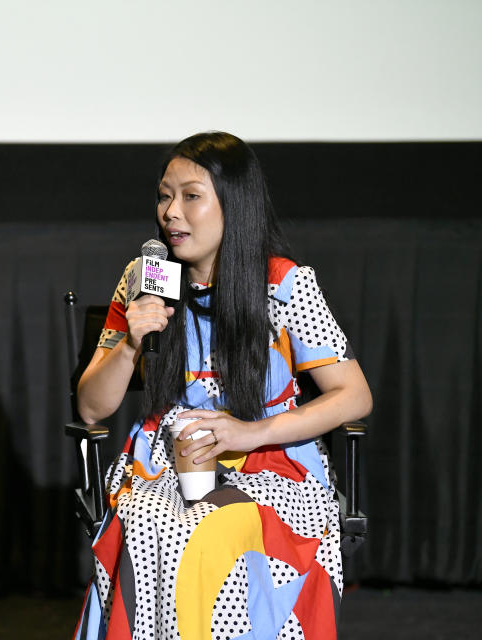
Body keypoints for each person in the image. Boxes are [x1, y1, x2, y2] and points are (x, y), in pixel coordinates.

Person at [72, 132, 372, 640]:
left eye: (190, 196)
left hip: (271, 456)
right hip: (168, 457)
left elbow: (354, 395)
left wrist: (249, 434)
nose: (171, 212)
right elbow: (90, 409)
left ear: (234, 204)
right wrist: (129, 345)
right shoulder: (143, 279)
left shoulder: (284, 283)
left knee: (218, 530)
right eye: (165, 195)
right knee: (148, 525)